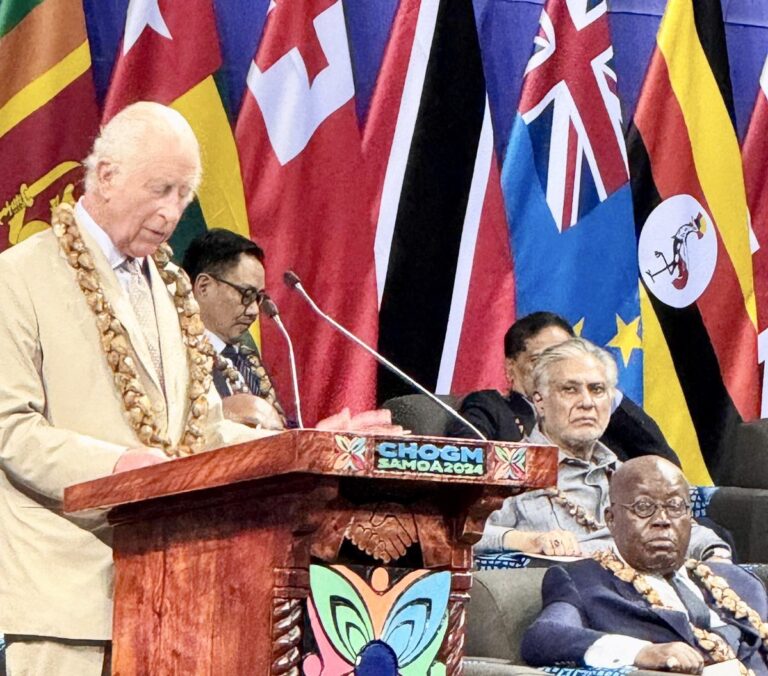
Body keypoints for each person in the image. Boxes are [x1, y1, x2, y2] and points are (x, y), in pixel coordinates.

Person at [0, 102, 272, 675]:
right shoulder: (19, 278)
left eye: (183, 196)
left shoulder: (172, 290)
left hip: (173, 598)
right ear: (105, 175)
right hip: (66, 603)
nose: (172, 212)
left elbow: (193, 432)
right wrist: (121, 467)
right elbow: (12, 430)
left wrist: (296, 443)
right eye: (160, 189)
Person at [475, 338, 729, 561]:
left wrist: (714, 552)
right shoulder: (508, 467)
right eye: (570, 389)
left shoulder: (626, 473)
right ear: (539, 402)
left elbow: (678, 526)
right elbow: (459, 535)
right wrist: (528, 541)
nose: (586, 403)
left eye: (597, 390)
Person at [521, 456, 768, 674]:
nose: (662, 520)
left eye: (674, 507)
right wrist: (643, 653)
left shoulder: (739, 582)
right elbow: (542, 637)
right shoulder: (584, 581)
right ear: (611, 519)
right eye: (643, 507)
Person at [182, 228, 402, 434]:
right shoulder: (174, 354)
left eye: (258, 298)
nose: (253, 311)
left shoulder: (247, 361)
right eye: (246, 294)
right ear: (204, 287)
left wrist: (320, 440)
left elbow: (275, 442)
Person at [447, 311, 679, 465]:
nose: (557, 367)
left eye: (566, 357)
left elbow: (665, 465)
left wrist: (602, 389)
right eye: (541, 359)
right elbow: (464, 462)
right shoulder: (492, 406)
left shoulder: (590, 412)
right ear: (511, 367)